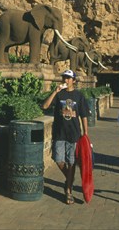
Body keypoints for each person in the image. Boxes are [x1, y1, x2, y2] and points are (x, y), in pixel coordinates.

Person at [42, 69, 90, 205]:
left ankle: (68, 191)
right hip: (59, 133)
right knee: (58, 160)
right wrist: (55, 91)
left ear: (73, 80)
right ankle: (70, 179)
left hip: (74, 134)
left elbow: (84, 115)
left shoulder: (79, 96)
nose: (65, 80)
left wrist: (86, 133)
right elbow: (45, 106)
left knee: (72, 162)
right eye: (64, 78)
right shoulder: (59, 94)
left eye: (68, 78)